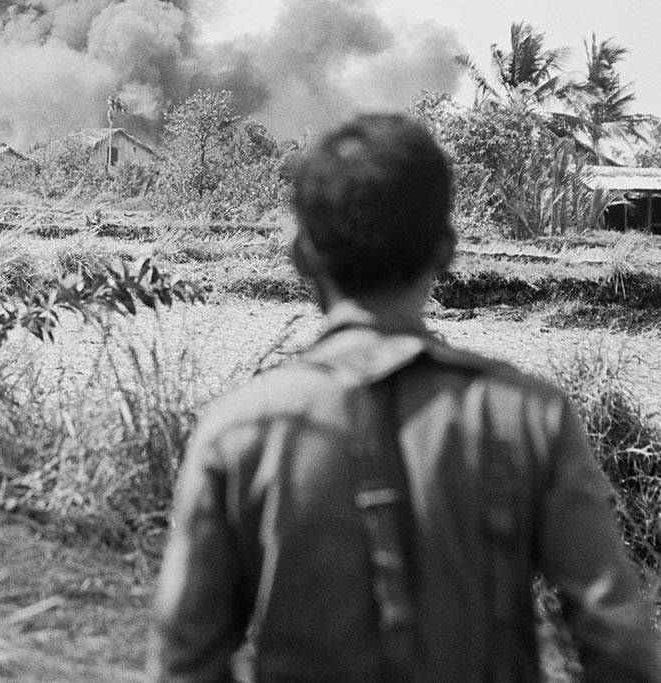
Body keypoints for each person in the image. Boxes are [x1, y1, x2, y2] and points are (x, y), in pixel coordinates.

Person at [150, 113, 661, 682]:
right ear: (445, 251)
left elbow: (184, 659)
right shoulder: (530, 416)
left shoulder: (240, 428)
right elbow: (619, 642)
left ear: (300, 254)